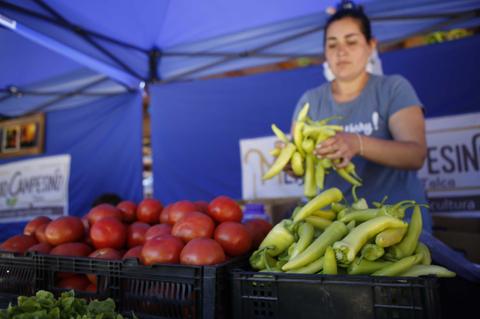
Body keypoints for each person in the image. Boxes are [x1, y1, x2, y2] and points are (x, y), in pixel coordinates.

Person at [289, 1, 432, 231]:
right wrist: (292, 164)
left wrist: (357, 143)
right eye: (332, 44)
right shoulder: (310, 101)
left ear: (371, 45)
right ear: (324, 52)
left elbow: (415, 155)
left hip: (397, 226)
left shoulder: (394, 88)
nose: (341, 51)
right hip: (336, 230)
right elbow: (300, 163)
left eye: (351, 41)